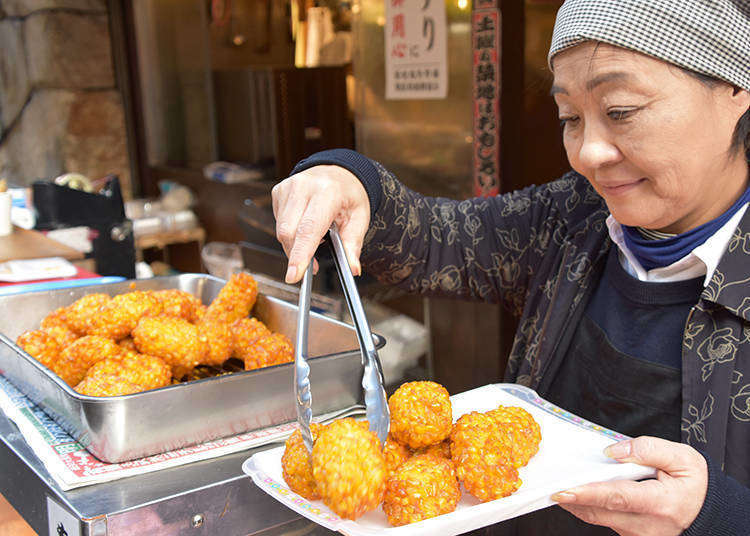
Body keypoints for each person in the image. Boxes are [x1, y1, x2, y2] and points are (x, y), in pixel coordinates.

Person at [271, 0, 750, 534]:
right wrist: (345, 178)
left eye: (621, 111)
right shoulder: (572, 218)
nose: (588, 152)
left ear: (735, 91)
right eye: (570, 117)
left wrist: (718, 516)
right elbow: (433, 239)